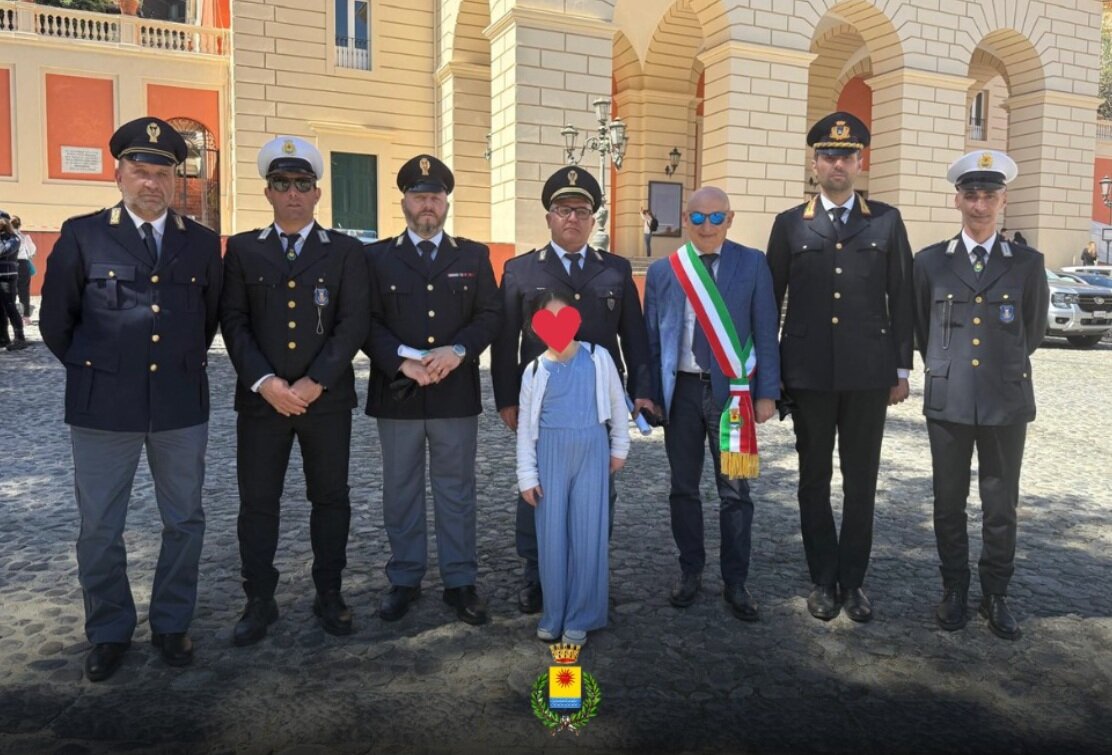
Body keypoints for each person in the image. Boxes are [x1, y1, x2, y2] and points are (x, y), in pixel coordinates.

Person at [39, 117, 223, 680]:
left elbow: (208, 318)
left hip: (178, 405)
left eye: (162, 173)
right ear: (118, 173)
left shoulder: (200, 244)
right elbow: (56, 322)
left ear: (175, 179)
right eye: (140, 171)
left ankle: (172, 622)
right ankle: (109, 629)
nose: (151, 183)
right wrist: (102, 371)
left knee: (185, 520)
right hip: (103, 407)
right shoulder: (83, 235)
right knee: (99, 526)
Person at [221, 136, 370, 645]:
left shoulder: (345, 251)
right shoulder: (244, 250)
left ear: (317, 193)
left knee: (330, 499)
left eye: (303, 184)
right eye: (282, 183)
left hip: (325, 402)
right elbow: (233, 321)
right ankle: (259, 599)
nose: (293, 193)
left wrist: (315, 381)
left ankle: (329, 592)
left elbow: (353, 322)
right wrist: (265, 383)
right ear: (267, 191)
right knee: (258, 503)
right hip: (262, 403)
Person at [766, 112, 914, 623]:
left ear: (859, 162)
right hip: (807, 374)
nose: (838, 164)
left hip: (869, 374)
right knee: (813, 478)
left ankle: (853, 581)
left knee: (861, 480)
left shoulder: (886, 221)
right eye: (829, 156)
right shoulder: (790, 223)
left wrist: (901, 369)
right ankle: (822, 578)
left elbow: (902, 297)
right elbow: (771, 301)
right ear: (815, 163)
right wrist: (770, 372)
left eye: (847, 157)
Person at [491, 166, 653, 616]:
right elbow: (504, 342)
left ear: (593, 219)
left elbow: (634, 337)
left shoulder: (615, 270)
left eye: (582, 211)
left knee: (597, 491)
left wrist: (642, 391)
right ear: (549, 217)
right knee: (537, 487)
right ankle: (536, 574)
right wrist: (506, 399)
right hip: (543, 405)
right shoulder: (521, 270)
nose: (572, 218)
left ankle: (588, 574)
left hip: (599, 404)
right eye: (563, 210)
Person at [912, 150, 1049, 641]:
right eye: (971, 195)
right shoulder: (930, 262)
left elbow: (1033, 329)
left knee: (1000, 504)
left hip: (1005, 399)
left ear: (1003, 201)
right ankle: (954, 588)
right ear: (957, 201)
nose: (980, 205)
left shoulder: (1027, 264)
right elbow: (919, 326)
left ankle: (996, 593)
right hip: (949, 398)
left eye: (989, 195)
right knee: (948, 502)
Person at [364, 154, 501, 626]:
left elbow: (490, 314)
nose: (428, 204)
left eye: (436, 196)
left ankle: (460, 581)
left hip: (453, 391)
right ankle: (404, 577)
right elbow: (365, 320)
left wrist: (459, 349)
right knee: (400, 490)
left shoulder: (473, 256)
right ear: (404, 201)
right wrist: (399, 359)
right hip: (398, 391)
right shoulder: (376, 257)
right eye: (419, 196)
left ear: (446, 202)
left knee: (456, 490)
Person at [644, 186, 780, 621]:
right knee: (683, 488)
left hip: (733, 396)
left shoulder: (752, 263)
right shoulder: (664, 270)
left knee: (736, 491)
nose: (707, 226)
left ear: (730, 219)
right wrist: (650, 393)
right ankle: (690, 570)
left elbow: (766, 329)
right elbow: (651, 338)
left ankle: (735, 580)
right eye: (698, 218)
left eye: (716, 217)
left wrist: (766, 393)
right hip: (681, 394)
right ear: (686, 220)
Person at [517, 289, 630, 646]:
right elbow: (525, 430)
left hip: (592, 451)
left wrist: (619, 447)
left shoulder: (598, 358)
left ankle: (582, 614)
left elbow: (617, 403)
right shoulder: (535, 370)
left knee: (587, 532)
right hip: (550, 455)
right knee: (551, 536)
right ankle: (554, 613)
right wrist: (527, 475)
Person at [0, 211, 27, 351]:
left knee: (10, 306)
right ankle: (3, 339)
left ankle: (20, 338)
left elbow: (3, 251)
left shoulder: (13, 239)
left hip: (7, 277)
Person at [11, 215, 36, 324]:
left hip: (9, 264)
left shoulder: (5, 238)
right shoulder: (25, 237)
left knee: (8, 291)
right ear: (19, 225)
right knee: (24, 291)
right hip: (23, 264)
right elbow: (32, 251)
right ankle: (25, 317)